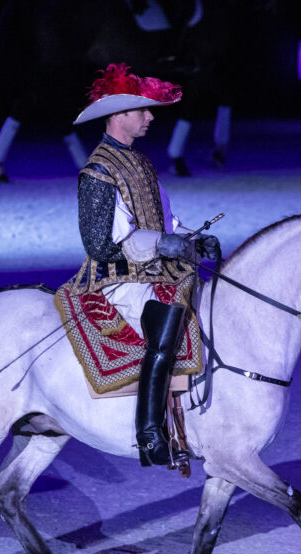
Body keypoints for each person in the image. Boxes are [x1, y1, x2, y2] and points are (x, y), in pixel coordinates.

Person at [71, 63, 220, 468]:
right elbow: (101, 244)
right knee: (168, 320)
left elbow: (163, 220)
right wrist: (164, 244)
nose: (151, 117)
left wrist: (189, 238)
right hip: (116, 277)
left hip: (154, 265)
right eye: (143, 111)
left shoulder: (140, 163)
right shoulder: (98, 172)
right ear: (120, 116)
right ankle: (150, 431)